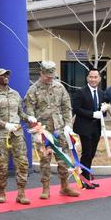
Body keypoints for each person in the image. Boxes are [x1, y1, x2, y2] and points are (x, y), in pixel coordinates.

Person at [24, 61, 80, 199]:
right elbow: (28, 110)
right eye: (47, 76)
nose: (50, 78)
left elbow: (67, 107)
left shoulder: (60, 87)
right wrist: (32, 120)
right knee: (44, 160)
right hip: (42, 131)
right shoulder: (33, 90)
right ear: (41, 73)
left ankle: (65, 186)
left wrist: (68, 125)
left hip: (59, 129)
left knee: (63, 159)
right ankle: (45, 188)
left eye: (52, 76)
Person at [0, 68, 33, 204]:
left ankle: (21, 193)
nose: (6, 77)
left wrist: (29, 118)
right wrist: (5, 124)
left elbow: (20, 113)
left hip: (16, 133)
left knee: (22, 163)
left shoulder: (15, 94)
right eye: (3, 75)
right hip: (0, 134)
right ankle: (1, 192)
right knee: (2, 165)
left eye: (7, 75)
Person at [72, 68, 104, 189]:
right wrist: (92, 114)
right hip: (84, 127)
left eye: (96, 77)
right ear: (87, 78)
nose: (93, 79)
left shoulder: (101, 93)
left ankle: (87, 177)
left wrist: (104, 110)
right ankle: (84, 180)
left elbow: (102, 108)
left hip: (96, 128)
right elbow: (76, 109)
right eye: (91, 77)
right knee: (87, 153)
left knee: (91, 154)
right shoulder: (81, 92)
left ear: (99, 79)